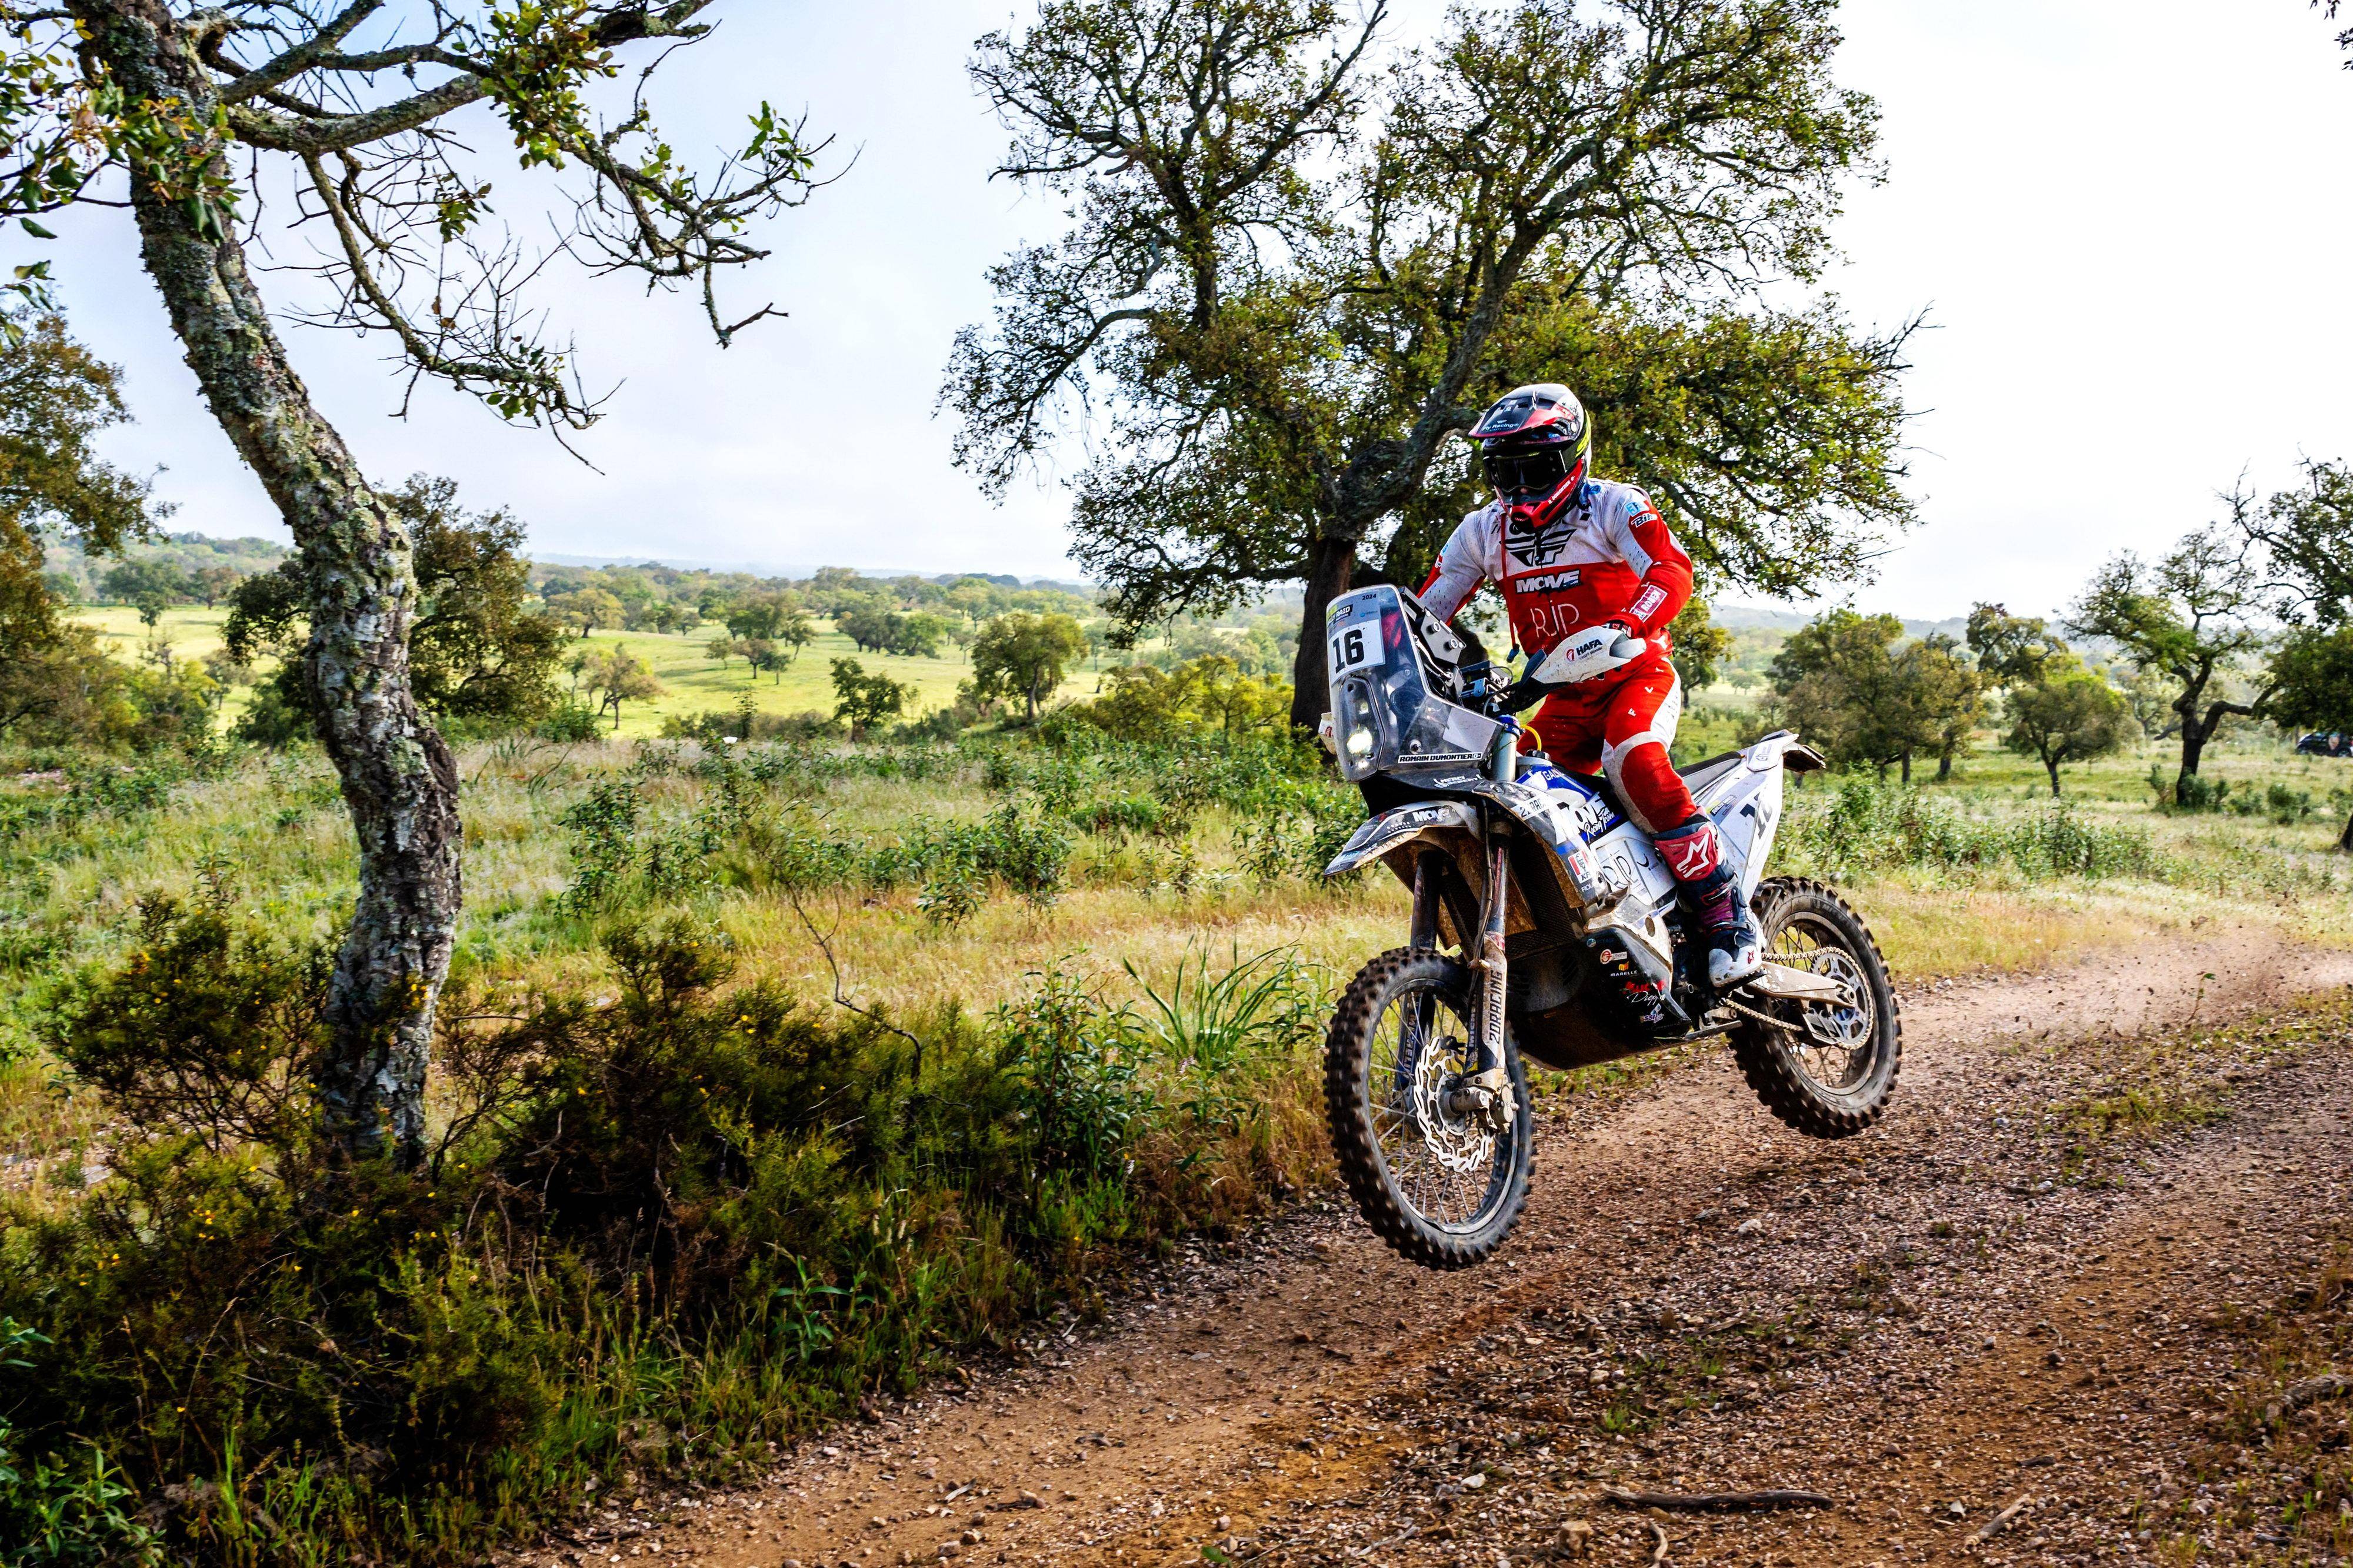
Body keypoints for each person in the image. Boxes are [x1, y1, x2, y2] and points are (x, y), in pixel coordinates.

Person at [1418, 382, 1763, 988]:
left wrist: (1629, 622)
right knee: (1517, 789)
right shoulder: (1482, 531)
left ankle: (1724, 909)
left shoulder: (1613, 505)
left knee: (1634, 759)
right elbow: (1426, 611)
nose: (1520, 486)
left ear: (1573, 455)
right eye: (1505, 470)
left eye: (1535, 468)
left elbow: (1671, 569)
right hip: (1564, 696)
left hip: (1637, 673)